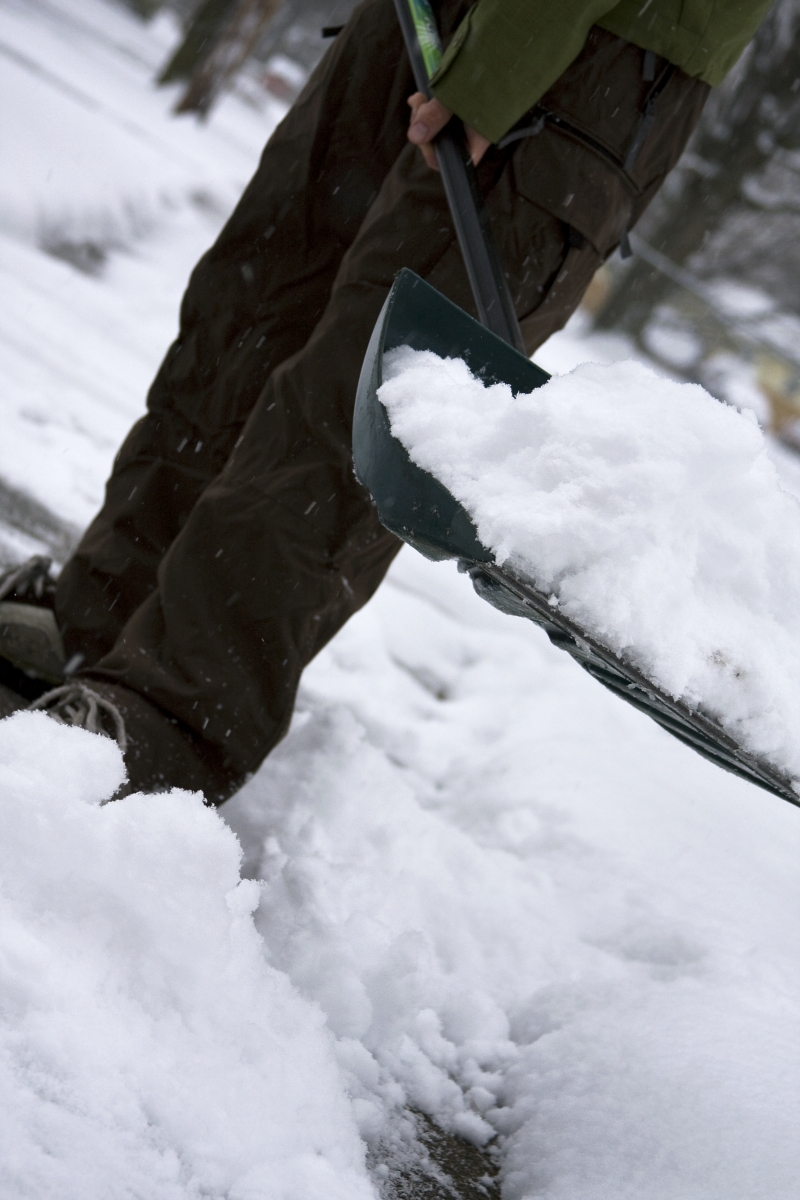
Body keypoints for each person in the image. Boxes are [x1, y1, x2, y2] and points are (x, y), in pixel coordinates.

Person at [0, 0, 772, 801]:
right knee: (248, 314)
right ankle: (102, 620)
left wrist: (501, 66)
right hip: (412, 17)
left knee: (352, 407)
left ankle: (172, 718)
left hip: (578, 52)